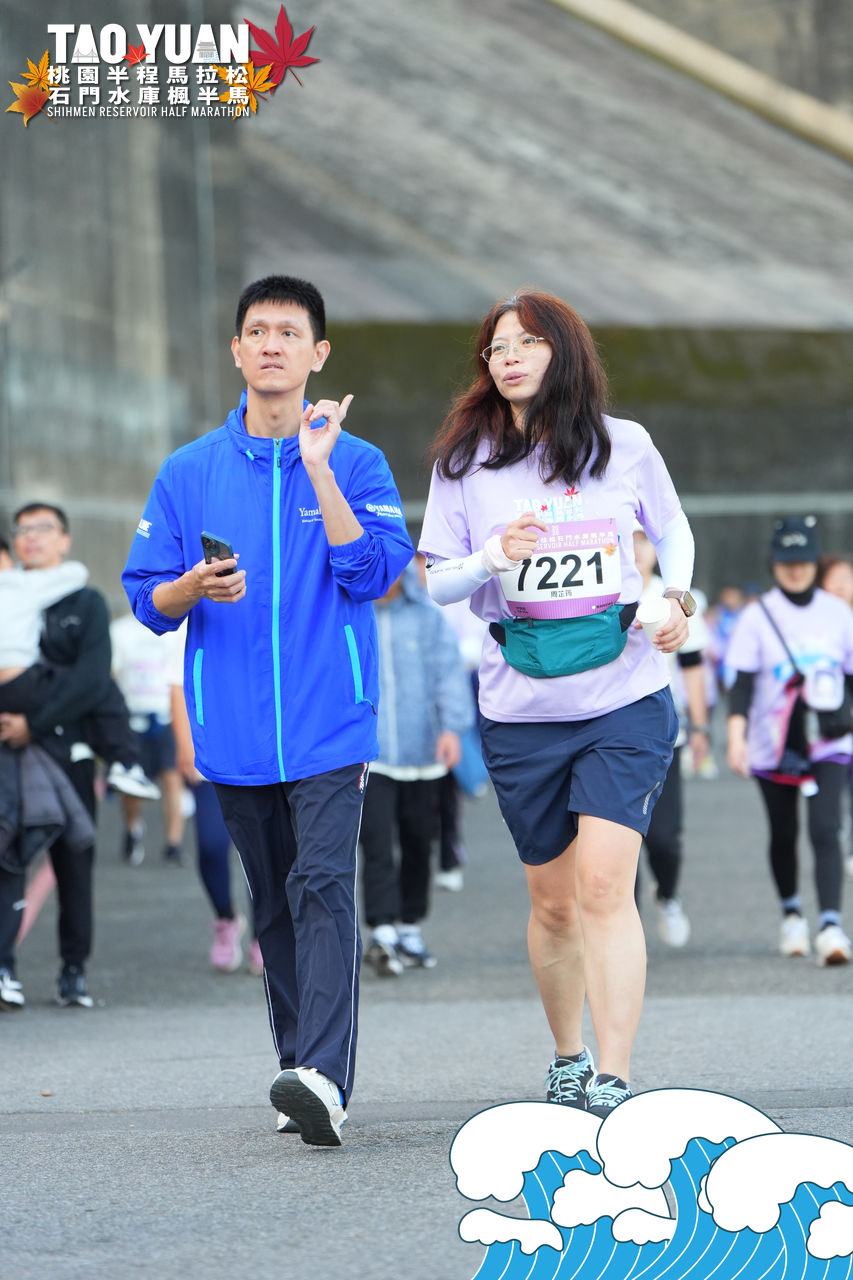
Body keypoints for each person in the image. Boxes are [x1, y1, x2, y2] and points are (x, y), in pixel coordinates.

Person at [122, 274, 413, 1146]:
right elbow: (146, 600)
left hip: (330, 724)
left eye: (290, 332)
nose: (273, 344)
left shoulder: (355, 461)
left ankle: (323, 1075)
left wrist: (319, 471)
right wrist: (190, 585)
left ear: (317, 353)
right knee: (275, 907)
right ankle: (300, 1069)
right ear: (237, 350)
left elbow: (374, 575)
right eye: (258, 330)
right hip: (234, 730)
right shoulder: (189, 471)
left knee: (322, 886)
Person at [419, 290, 691, 1117]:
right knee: (554, 901)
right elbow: (437, 583)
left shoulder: (623, 444)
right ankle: (569, 1055)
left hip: (623, 695)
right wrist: (491, 557)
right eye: (496, 347)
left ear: (563, 351)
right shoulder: (464, 460)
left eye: (527, 342)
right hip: (520, 708)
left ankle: (615, 1074)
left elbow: (673, 529)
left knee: (606, 887)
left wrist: (678, 595)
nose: (508, 357)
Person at [0, 503, 140, 1007]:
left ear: (65, 540)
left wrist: (32, 723)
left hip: (66, 747)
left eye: (44, 528)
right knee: (8, 857)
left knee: (74, 861)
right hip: (9, 748)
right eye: (23, 529)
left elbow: (91, 679)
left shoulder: (83, 599)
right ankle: (5, 968)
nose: (32, 537)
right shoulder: (9, 595)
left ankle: (73, 970)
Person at [726, 517, 853, 966]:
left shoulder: (838, 613)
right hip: (774, 743)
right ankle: (792, 914)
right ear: (773, 564)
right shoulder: (757, 616)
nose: (795, 570)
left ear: (815, 563)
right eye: (786, 562)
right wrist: (736, 738)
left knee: (826, 829)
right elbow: (741, 685)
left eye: (802, 561)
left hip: (829, 741)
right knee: (784, 832)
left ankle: (831, 927)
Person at [360, 561, 473, 975]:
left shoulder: (428, 616)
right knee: (375, 844)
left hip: (425, 754)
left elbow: (449, 675)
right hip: (370, 755)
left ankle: (409, 927)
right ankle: (382, 930)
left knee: (418, 843)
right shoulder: (354, 614)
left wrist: (452, 729)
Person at [165, 623, 262, 975]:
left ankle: (264, 935)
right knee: (210, 844)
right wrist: (185, 745)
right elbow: (177, 686)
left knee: (263, 851)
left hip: (261, 757)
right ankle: (225, 919)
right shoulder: (197, 613)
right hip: (210, 754)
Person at [634, 530, 711, 948]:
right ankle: (623, 928)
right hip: (610, 731)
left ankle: (667, 895)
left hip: (665, 735)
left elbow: (693, 668)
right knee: (617, 841)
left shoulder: (673, 596)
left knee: (664, 839)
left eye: (643, 540)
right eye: (626, 539)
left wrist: (699, 727)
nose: (635, 550)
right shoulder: (602, 593)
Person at [110, 611, 186, 865]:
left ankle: (173, 844)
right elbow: (111, 674)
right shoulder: (120, 631)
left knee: (173, 780)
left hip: (167, 718)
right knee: (132, 786)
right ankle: (132, 829)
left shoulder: (178, 626)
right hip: (133, 720)